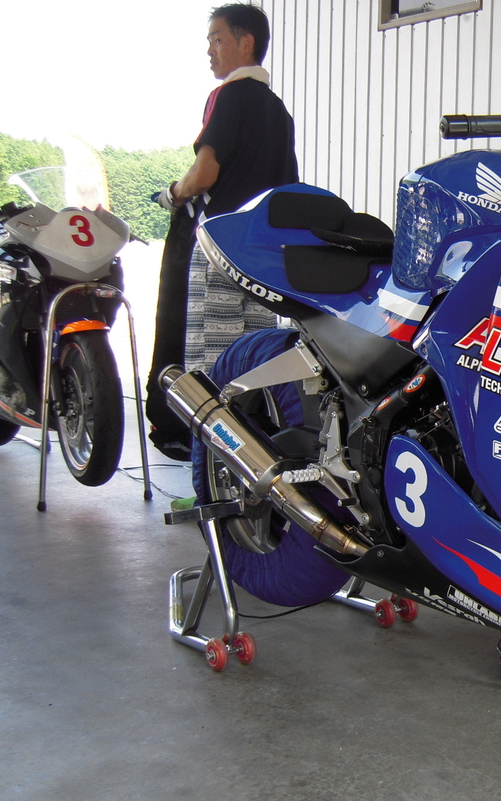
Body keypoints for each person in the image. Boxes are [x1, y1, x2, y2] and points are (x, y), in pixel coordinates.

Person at [147, 2, 298, 459]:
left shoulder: (228, 96)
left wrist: (173, 193)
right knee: (253, 365)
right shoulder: (280, 112)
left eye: (217, 39)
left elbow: (204, 174)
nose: (209, 51)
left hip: (220, 250)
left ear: (245, 43)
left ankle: (207, 472)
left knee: (210, 370)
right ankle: (252, 465)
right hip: (263, 258)